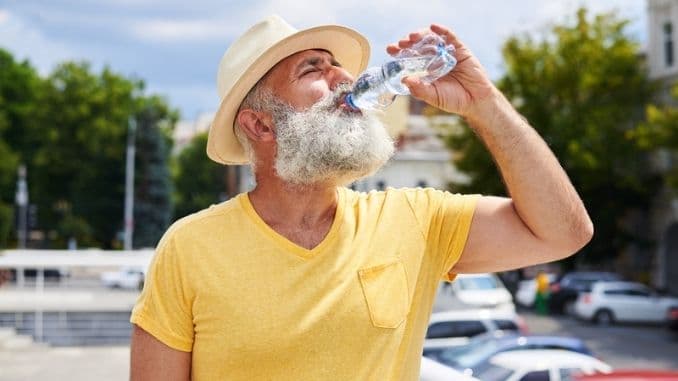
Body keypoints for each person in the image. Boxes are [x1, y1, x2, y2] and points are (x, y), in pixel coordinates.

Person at [129, 15, 593, 381]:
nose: (344, 78)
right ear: (260, 125)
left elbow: (564, 233)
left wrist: (484, 103)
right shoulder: (190, 248)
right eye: (313, 68)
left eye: (337, 64)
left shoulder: (414, 218)